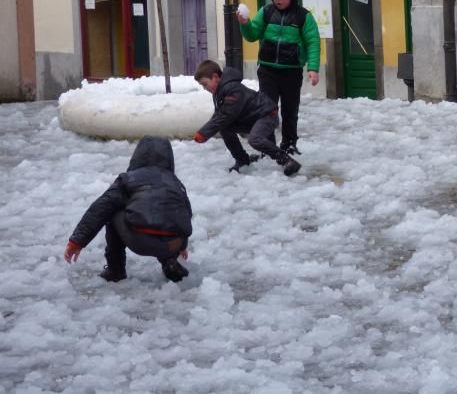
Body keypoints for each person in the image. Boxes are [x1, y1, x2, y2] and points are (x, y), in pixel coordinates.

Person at [63, 136, 192, 283]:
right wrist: (181, 244)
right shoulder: (175, 182)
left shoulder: (127, 179)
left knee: (112, 210)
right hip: (174, 242)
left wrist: (77, 242)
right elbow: (185, 213)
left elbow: (100, 208)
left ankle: (115, 270)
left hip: (141, 242)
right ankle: (169, 262)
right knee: (168, 212)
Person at [238, 0, 320, 156]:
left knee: (290, 109)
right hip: (268, 70)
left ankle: (289, 143)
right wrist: (245, 24)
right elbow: (252, 35)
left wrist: (313, 69)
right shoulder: (266, 12)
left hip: (292, 71)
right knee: (267, 109)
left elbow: (313, 42)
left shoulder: (303, 16)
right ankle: (267, 145)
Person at [193, 60, 301, 177]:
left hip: (267, 115)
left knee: (255, 139)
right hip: (253, 118)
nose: (204, 88)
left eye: (205, 84)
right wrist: (206, 131)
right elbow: (219, 115)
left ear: (215, 77)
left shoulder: (232, 89)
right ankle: (242, 160)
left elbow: (225, 115)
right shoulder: (219, 92)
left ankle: (287, 160)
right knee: (224, 127)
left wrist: (203, 133)